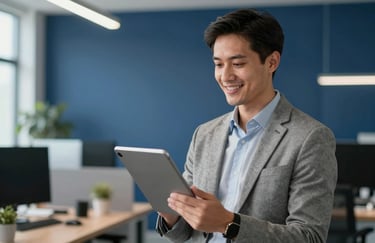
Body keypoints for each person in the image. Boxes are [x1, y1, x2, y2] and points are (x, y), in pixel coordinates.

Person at [156, 8, 337, 243]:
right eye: (219, 64)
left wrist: (229, 224)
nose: (226, 76)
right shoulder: (204, 134)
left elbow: (309, 237)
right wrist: (173, 215)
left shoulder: (311, 137)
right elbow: (186, 233)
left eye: (238, 63)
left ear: (272, 62)